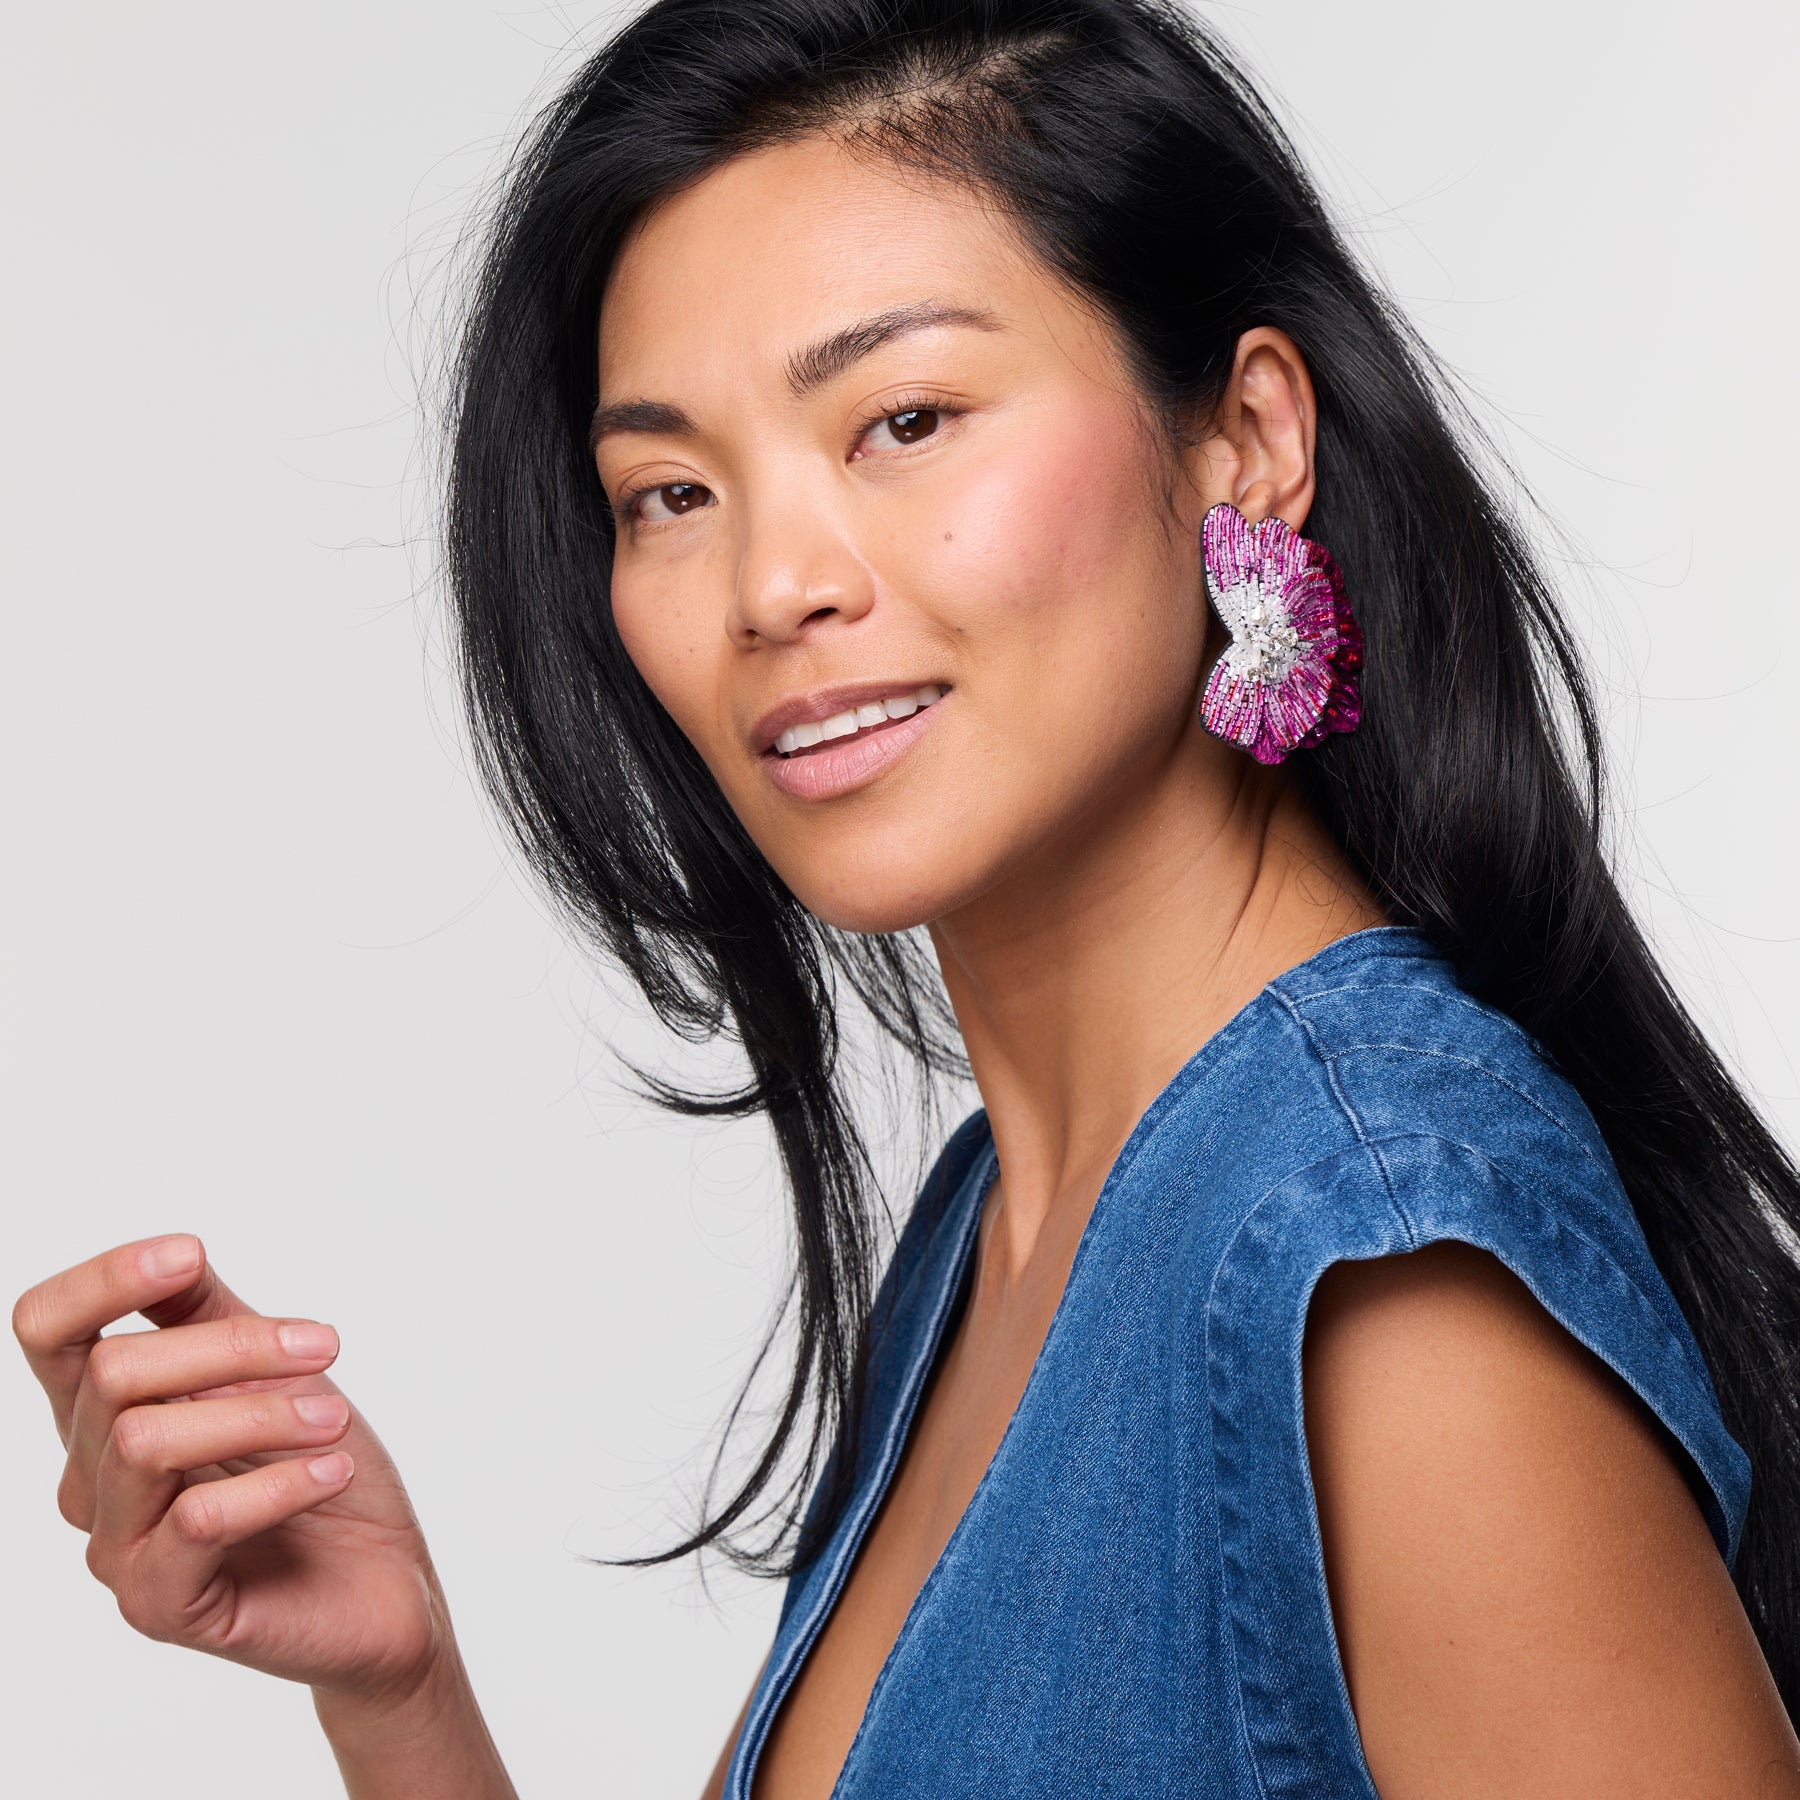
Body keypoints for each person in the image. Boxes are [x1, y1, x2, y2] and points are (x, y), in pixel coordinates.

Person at [15, 1, 1800, 1794]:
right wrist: (397, 1691)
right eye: (671, 490)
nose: (774, 582)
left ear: (1244, 436)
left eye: (906, 419)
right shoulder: (1001, 1228)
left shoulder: (1383, 1266)